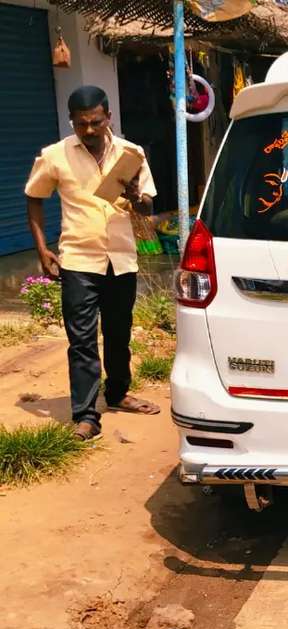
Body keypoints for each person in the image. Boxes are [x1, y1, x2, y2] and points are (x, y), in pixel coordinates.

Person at [25, 85, 160, 441]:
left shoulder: (132, 154)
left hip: (121, 257)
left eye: (95, 122)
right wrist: (42, 249)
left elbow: (148, 208)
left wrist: (134, 195)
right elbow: (34, 197)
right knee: (81, 340)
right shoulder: (55, 156)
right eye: (81, 123)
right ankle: (86, 415)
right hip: (78, 259)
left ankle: (117, 393)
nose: (88, 130)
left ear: (108, 118)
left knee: (119, 333)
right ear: (71, 121)